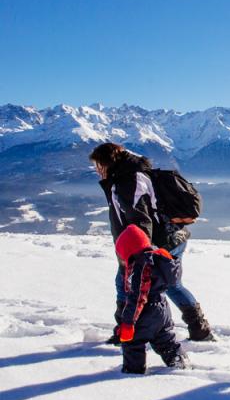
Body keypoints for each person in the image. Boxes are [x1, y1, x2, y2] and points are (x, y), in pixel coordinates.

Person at [89, 142, 214, 343]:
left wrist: (140, 255)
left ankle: (124, 332)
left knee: (124, 283)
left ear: (106, 163)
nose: (96, 170)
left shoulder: (129, 181)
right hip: (168, 239)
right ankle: (200, 328)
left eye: (98, 165)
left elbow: (141, 220)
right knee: (171, 284)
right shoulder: (127, 176)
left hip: (157, 243)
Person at [115, 224, 189, 374]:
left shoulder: (140, 266)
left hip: (145, 312)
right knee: (165, 339)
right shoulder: (157, 259)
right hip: (162, 308)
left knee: (132, 342)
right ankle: (179, 361)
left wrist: (128, 323)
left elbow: (138, 297)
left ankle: (133, 371)